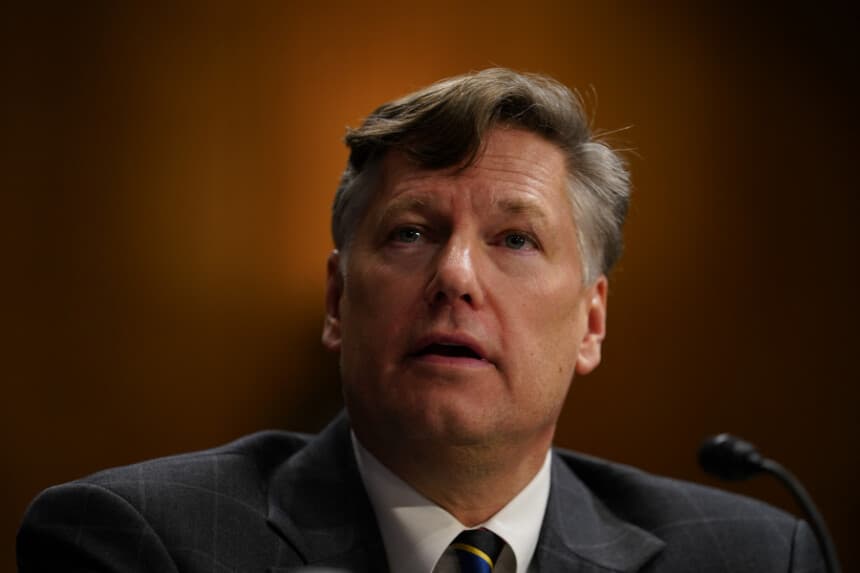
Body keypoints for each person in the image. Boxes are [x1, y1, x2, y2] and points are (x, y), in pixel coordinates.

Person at [17, 68, 825, 572]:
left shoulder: (752, 554)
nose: (455, 275)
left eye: (514, 238)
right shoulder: (139, 543)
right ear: (338, 301)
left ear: (591, 322)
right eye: (410, 232)